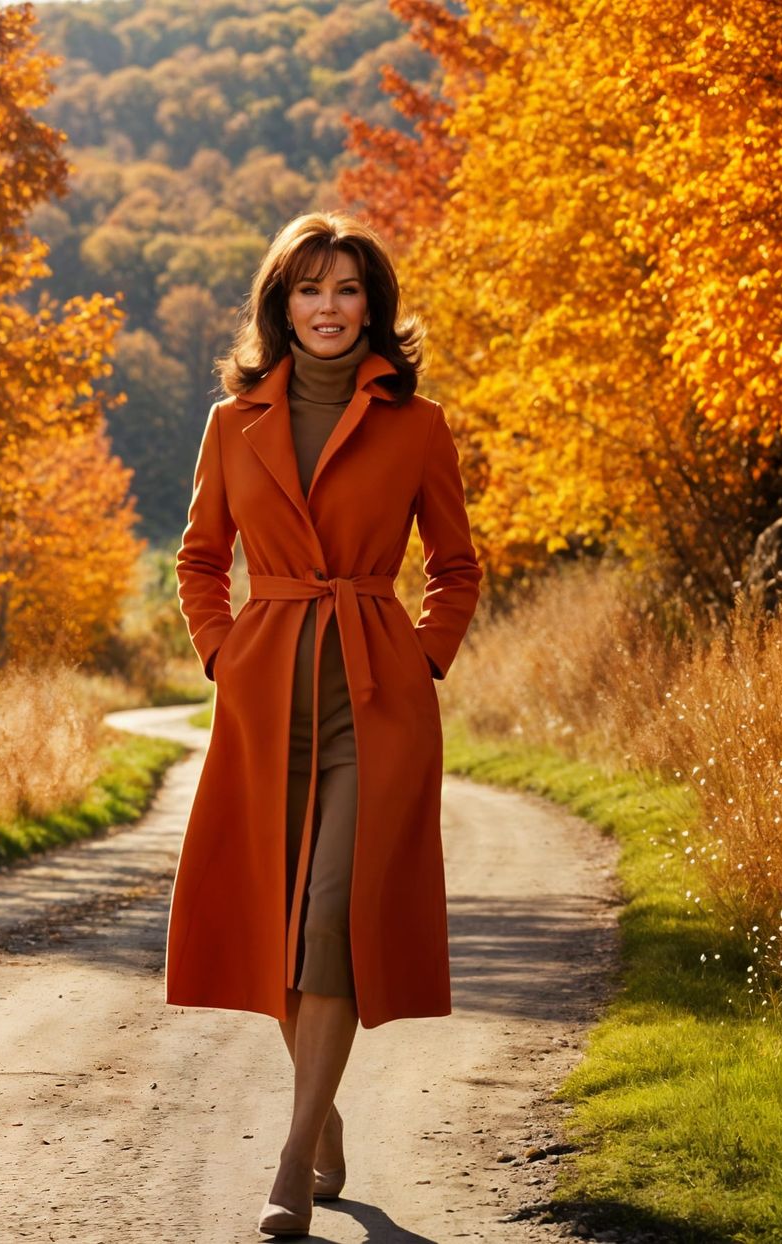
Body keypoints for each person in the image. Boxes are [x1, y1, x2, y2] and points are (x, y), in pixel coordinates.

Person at [164, 210, 483, 1237]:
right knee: (274, 920)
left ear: (371, 305)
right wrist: (221, 652)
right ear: (282, 303)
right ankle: (326, 1109)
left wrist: (423, 655)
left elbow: (455, 565)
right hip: (263, 698)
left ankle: (293, 1160)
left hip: (376, 701)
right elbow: (199, 558)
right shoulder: (231, 422)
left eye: (346, 288)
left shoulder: (418, 423)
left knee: (331, 920)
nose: (328, 307)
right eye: (309, 288)